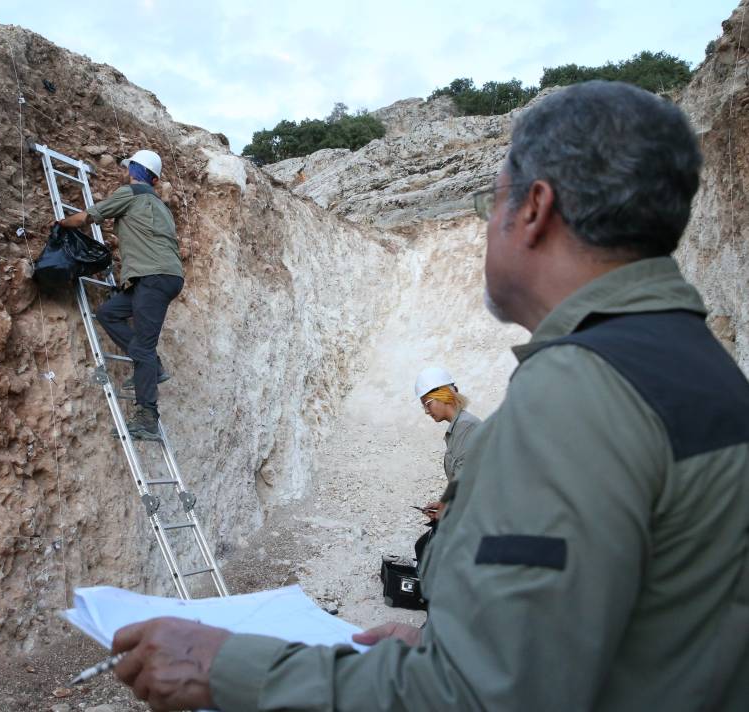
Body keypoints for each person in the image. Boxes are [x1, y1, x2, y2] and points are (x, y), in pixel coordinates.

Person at [106, 81, 749, 711]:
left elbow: (482, 698)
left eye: (487, 202)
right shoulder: (702, 373)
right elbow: (631, 639)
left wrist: (229, 667)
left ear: (534, 209)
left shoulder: (579, 397)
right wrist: (440, 642)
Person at [57, 149, 184, 441]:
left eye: (128, 168)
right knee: (108, 313)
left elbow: (88, 217)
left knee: (143, 348)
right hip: (157, 278)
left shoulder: (130, 193)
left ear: (136, 170)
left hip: (153, 278)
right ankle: (156, 367)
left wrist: (60, 224)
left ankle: (147, 417)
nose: (123, 172)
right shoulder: (161, 206)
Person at [415, 366, 481, 518]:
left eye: (428, 403)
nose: (426, 411)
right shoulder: (458, 428)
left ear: (443, 396)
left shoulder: (466, 427)